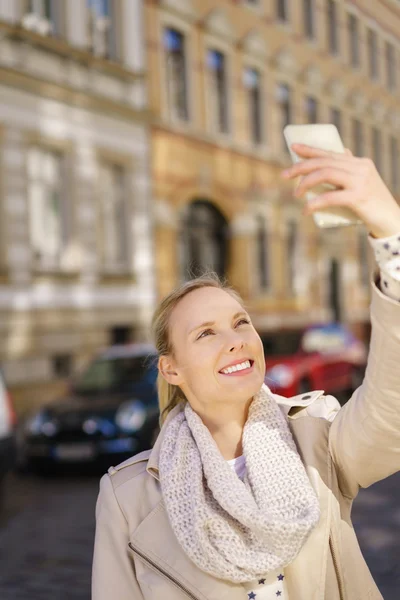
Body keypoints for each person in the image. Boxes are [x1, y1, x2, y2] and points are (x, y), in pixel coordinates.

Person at [92, 145, 400, 600]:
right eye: (205, 334)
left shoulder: (318, 439)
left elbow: (391, 411)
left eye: (241, 322)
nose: (235, 339)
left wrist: (390, 235)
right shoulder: (126, 497)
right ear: (171, 369)